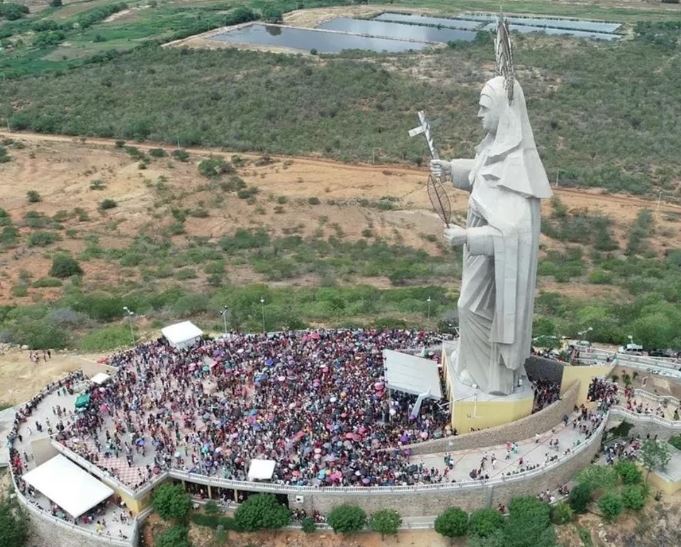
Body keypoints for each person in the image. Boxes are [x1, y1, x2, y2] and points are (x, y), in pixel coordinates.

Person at [431, 70, 552, 394]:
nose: (479, 114)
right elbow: (482, 170)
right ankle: (471, 363)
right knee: (466, 307)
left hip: (492, 262)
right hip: (478, 257)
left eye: (485, 107)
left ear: (504, 111)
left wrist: (466, 237)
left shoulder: (519, 171)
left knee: (471, 308)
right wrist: (451, 169)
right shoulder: (496, 152)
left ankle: (490, 377)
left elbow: (512, 235)